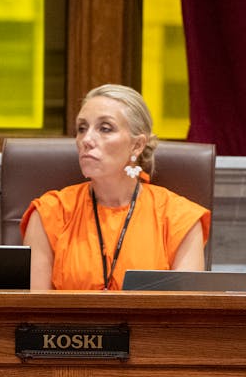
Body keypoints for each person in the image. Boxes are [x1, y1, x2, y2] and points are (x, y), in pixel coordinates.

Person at [21, 84, 209, 290]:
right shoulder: (49, 213)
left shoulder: (179, 218)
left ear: (137, 145)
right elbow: (33, 310)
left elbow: (184, 314)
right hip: (65, 323)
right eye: (82, 129)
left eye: (105, 128)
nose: (87, 140)